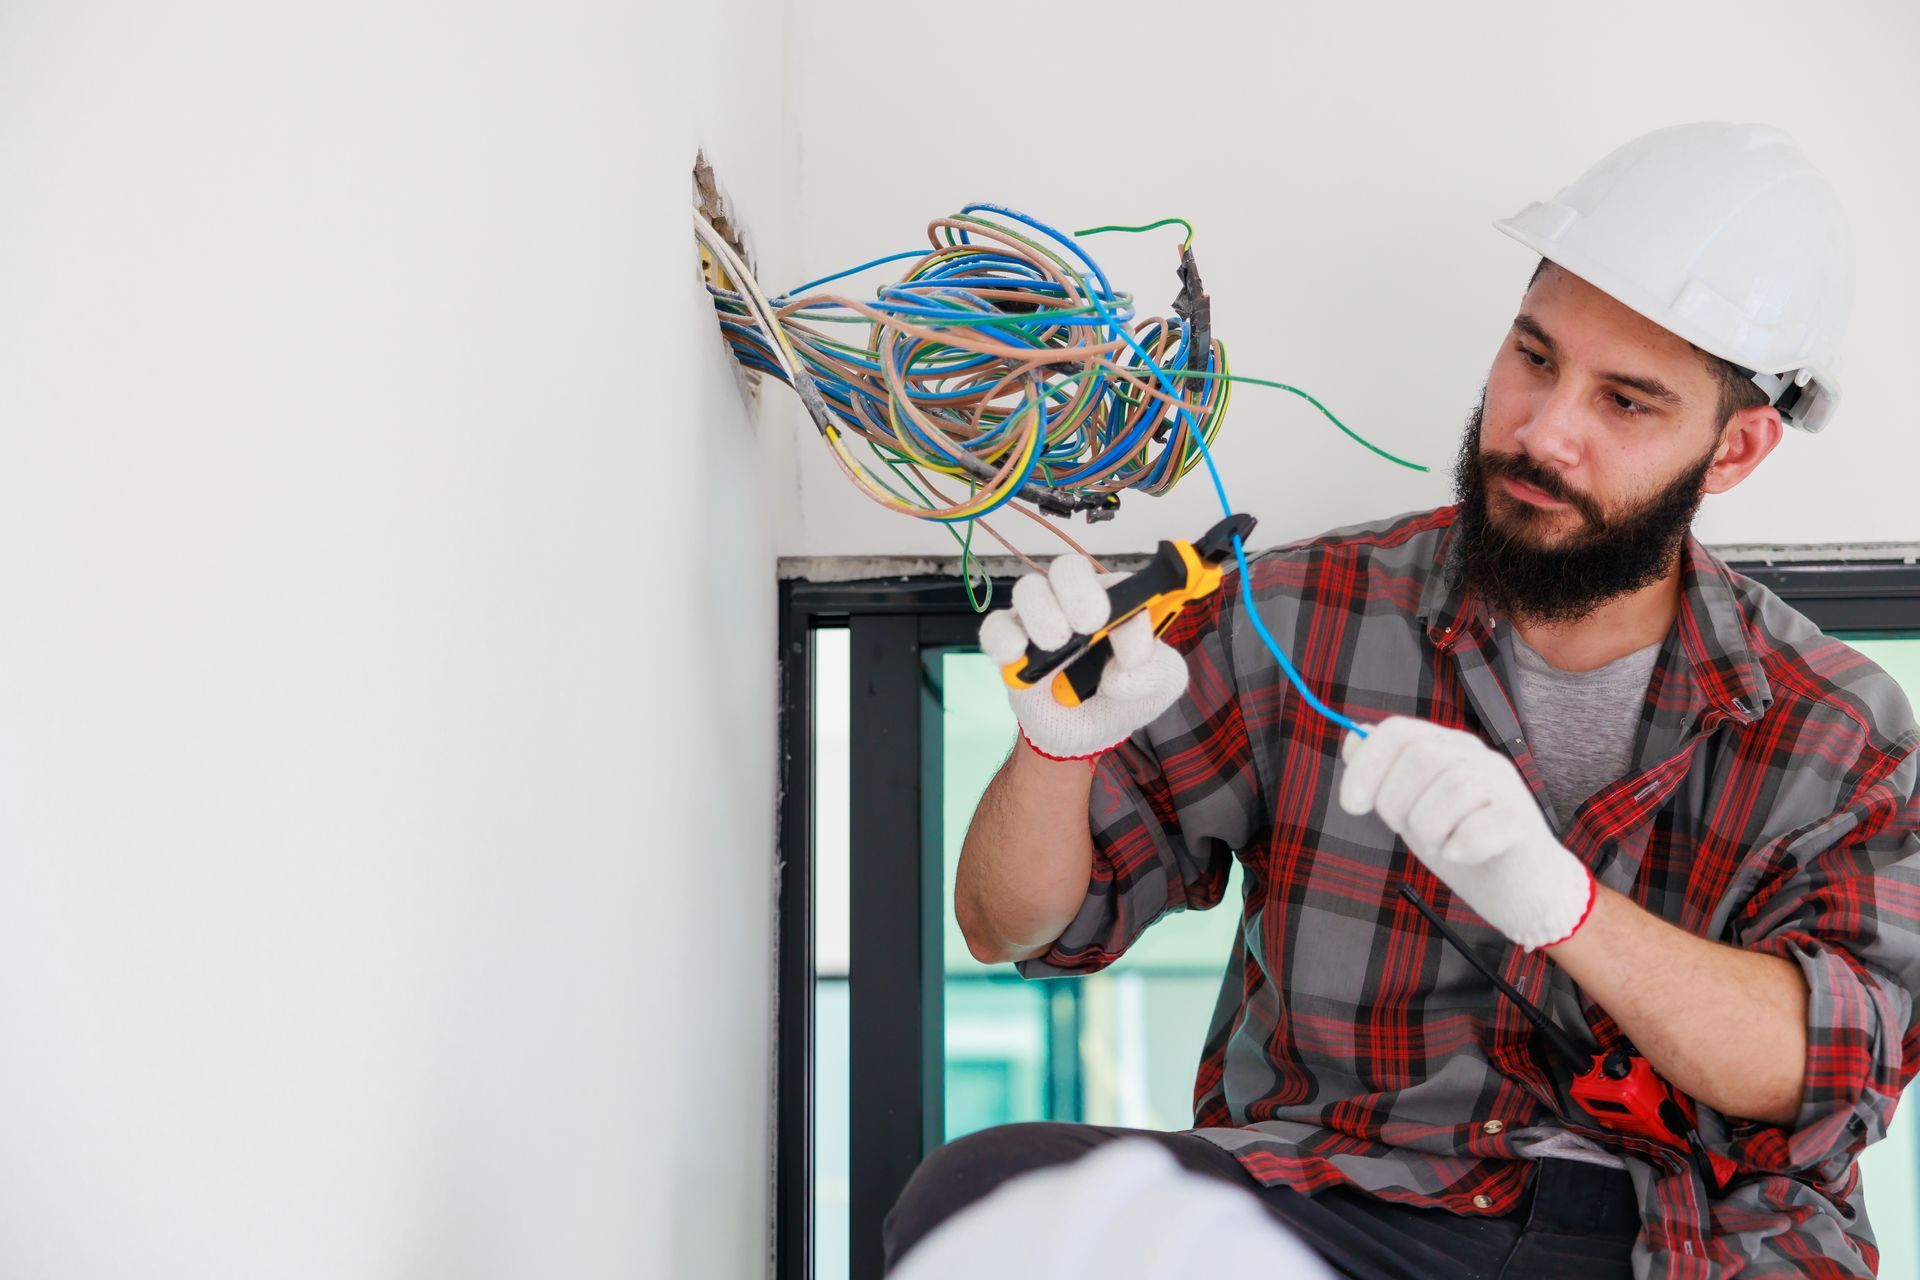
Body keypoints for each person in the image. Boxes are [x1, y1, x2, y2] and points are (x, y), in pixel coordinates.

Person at [885, 123, 1920, 1279]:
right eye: (1534, 357)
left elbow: (1825, 1062)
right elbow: (1010, 922)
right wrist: (1051, 748)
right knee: (987, 1200)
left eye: (1626, 402)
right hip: (1336, 1201)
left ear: (1734, 450)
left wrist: (1563, 904)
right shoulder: (1305, 611)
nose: (1542, 430)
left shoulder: (1836, 722)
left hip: (1674, 1242)